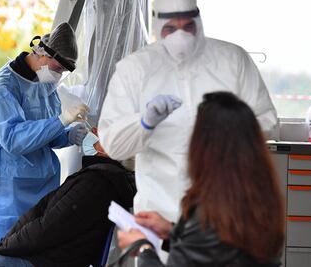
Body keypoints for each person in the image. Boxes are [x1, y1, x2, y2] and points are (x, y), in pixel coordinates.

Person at [98, 0, 277, 223]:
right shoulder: (135, 69)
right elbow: (113, 145)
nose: (180, 35)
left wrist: (230, 131)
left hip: (222, 211)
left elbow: (268, 121)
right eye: (170, 28)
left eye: (188, 26)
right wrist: (143, 123)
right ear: (156, 23)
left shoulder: (232, 60)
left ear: (199, 20)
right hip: (158, 212)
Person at [0, 22, 90, 254]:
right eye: (57, 67)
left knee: (29, 244)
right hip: (1, 179)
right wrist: (61, 121)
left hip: (40, 181)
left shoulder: (43, 83)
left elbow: (46, 135)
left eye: (63, 71)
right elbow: (14, 140)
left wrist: (70, 135)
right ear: (41, 53)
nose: (58, 74)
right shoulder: (1, 88)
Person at [116, 91, 285, 267]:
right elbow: (218, 254)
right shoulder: (261, 202)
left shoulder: (211, 213)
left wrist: (143, 248)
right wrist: (172, 232)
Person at [0, 129, 137, 267]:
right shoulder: (94, 178)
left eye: (99, 131)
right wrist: (0, 245)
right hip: (39, 257)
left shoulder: (95, 184)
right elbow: (37, 216)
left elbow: (44, 230)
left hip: (41, 262)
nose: (91, 132)